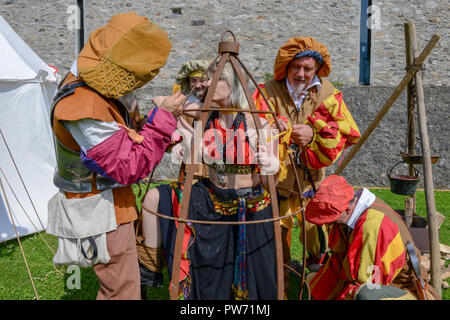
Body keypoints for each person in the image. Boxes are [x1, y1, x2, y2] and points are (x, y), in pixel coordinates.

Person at [48, 12, 184, 300]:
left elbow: (125, 140)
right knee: (121, 292)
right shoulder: (81, 105)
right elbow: (129, 166)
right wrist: (163, 119)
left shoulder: (94, 93)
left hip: (112, 204)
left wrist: (156, 133)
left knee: (125, 284)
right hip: (98, 210)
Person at [141, 61, 281, 300]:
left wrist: (271, 166)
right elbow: (158, 99)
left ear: (233, 84)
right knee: (156, 197)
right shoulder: (203, 117)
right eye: (207, 78)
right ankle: (148, 271)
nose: (206, 83)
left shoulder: (257, 123)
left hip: (251, 205)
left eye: (215, 78)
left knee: (256, 280)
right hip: (212, 198)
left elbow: (272, 186)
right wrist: (181, 140)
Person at [252, 37, 361, 291]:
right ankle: (279, 285)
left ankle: (318, 280)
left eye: (307, 68)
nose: (301, 74)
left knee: (317, 236)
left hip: (311, 184)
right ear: (286, 67)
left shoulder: (328, 94)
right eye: (296, 67)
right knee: (276, 241)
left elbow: (344, 131)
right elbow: (249, 125)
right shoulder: (267, 91)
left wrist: (313, 136)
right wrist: (270, 126)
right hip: (274, 185)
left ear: (316, 69)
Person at [137, 60, 211, 295]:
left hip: (212, 179)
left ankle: (198, 275)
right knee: (156, 202)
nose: (197, 84)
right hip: (188, 175)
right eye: (193, 80)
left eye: (202, 79)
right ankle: (149, 270)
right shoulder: (185, 106)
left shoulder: (217, 107)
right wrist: (174, 142)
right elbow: (170, 128)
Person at [304, 175, 440, 300]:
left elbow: (367, 279)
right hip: (373, 281)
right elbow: (341, 259)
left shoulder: (374, 226)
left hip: (399, 288)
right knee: (312, 280)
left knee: (364, 295)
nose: (330, 223)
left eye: (332, 218)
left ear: (347, 210)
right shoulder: (353, 210)